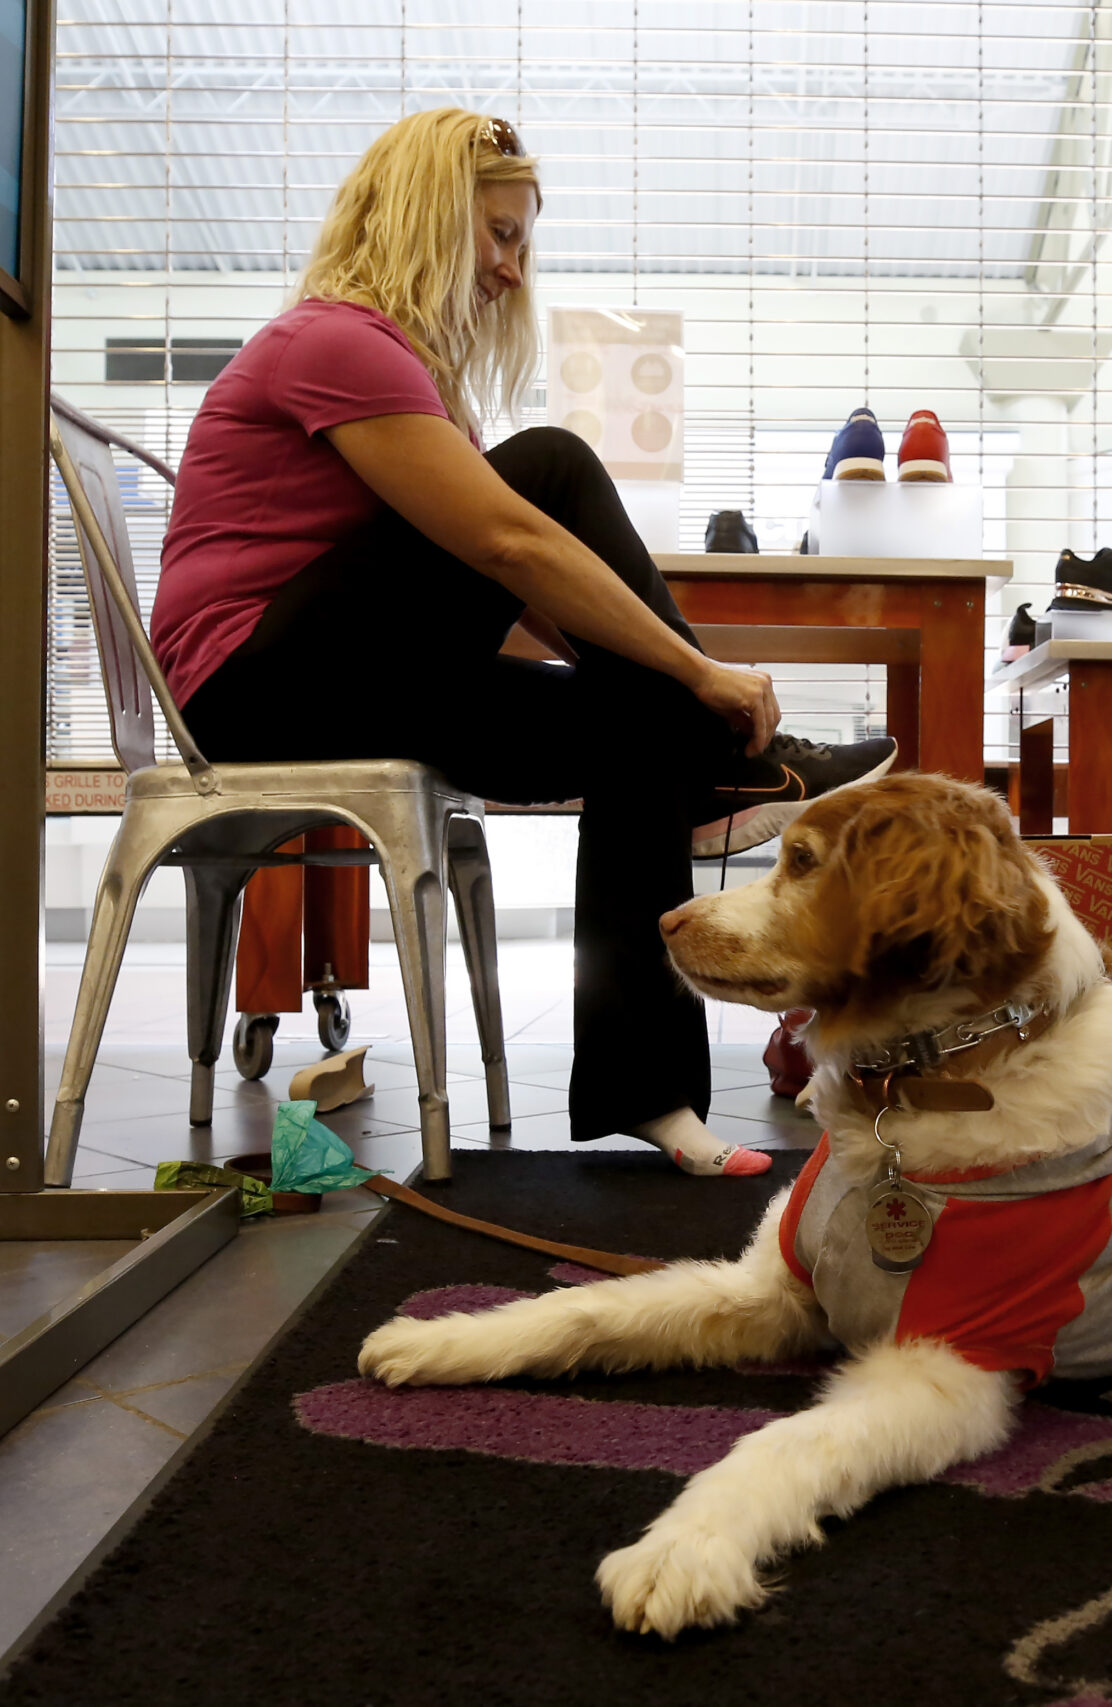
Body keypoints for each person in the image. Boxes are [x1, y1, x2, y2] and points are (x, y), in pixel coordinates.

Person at [150, 108, 894, 1177]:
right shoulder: (334, 341)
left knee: (634, 725)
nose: (511, 270)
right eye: (499, 236)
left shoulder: (401, 373)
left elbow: (526, 579)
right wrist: (702, 673)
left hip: (358, 675)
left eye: (521, 244)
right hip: (252, 688)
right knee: (544, 467)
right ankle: (742, 762)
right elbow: (508, 543)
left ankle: (652, 1096)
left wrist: (676, 693)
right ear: (425, 218)